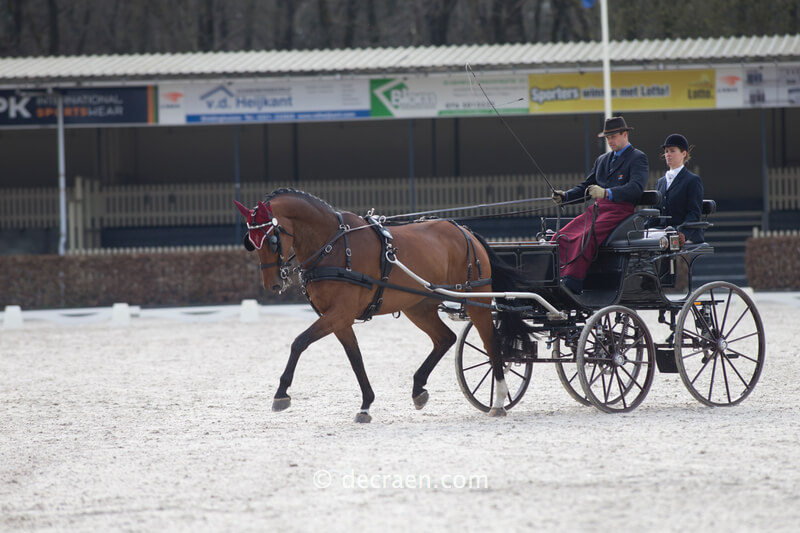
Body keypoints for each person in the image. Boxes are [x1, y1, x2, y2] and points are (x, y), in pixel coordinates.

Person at [551, 115, 649, 294]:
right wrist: (566, 196)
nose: (610, 141)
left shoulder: (637, 158)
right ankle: (554, 277)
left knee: (586, 237)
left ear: (625, 134)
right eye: (608, 137)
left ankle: (573, 281)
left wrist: (606, 193)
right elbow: (586, 187)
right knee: (561, 236)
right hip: (597, 210)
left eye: (613, 136)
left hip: (620, 211)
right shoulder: (602, 160)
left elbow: (636, 188)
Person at [651, 134, 704, 244]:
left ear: (683, 154)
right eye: (666, 151)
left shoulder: (692, 180)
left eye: (672, 151)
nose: (668, 154)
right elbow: (656, 213)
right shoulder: (660, 182)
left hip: (683, 234)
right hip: (663, 233)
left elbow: (694, 213)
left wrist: (683, 233)